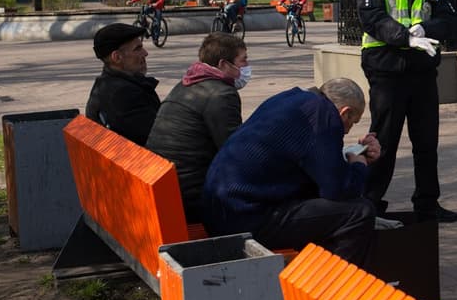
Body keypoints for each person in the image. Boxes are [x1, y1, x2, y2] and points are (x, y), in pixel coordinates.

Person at [201, 78, 381, 265]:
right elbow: (338, 189)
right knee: (359, 212)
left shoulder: (293, 98)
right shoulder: (323, 116)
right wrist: (359, 164)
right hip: (242, 219)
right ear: (345, 112)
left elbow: (317, 166)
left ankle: (315, 270)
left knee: (323, 206)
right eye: (352, 122)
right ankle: (338, 280)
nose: (347, 131)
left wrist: (348, 161)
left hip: (221, 209)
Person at [357, 0, 457, 222]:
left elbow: (449, 18)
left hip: (421, 70)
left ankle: (427, 203)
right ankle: (369, 203)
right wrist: (405, 37)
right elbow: (372, 18)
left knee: (426, 142)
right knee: (384, 140)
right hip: (386, 69)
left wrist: (426, 28)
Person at [147, 33, 250, 222]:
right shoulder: (222, 94)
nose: (247, 66)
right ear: (223, 64)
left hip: (167, 187)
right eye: (243, 60)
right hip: (192, 197)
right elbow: (235, 153)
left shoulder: (187, 84)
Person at [85, 23, 160, 146]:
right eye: (138, 49)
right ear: (117, 57)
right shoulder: (123, 94)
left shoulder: (106, 84)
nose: (145, 53)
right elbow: (159, 138)